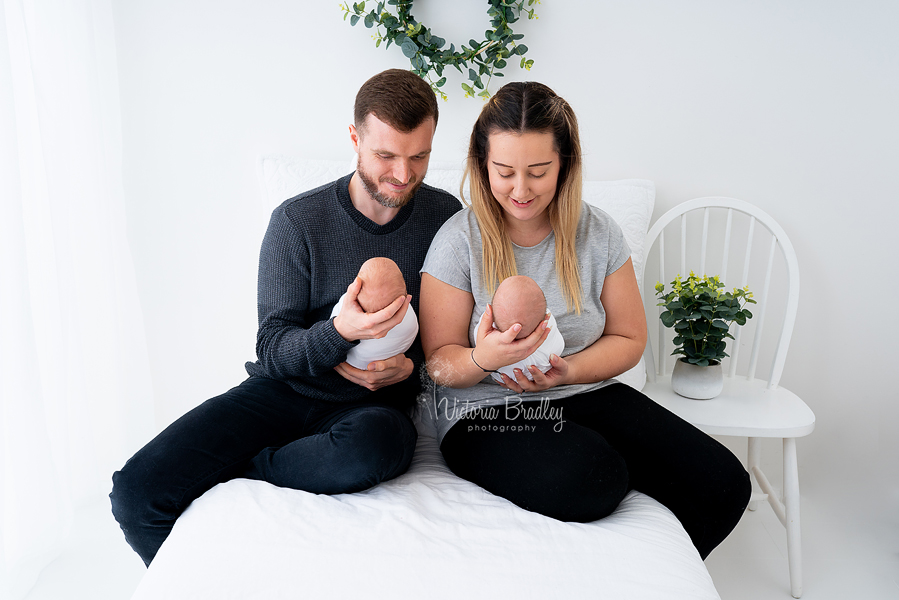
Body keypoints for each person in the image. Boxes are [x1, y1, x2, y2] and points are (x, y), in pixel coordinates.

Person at [110, 69, 461, 566]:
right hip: (281, 393)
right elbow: (272, 346)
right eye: (386, 155)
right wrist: (337, 334)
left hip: (369, 409)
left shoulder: (444, 217)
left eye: (419, 156)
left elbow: (452, 340)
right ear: (355, 138)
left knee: (378, 447)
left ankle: (247, 471)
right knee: (136, 493)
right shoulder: (298, 221)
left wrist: (413, 370)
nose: (403, 174)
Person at [418, 81, 750, 559]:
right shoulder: (457, 240)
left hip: (586, 392)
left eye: (538, 171)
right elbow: (440, 365)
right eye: (504, 171)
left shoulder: (598, 233)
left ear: (565, 164)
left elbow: (630, 338)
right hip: (485, 411)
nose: (520, 189)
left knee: (724, 484)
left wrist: (569, 371)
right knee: (595, 477)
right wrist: (483, 358)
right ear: (481, 165)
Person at [330, 257, 419, 370]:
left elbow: (334, 321)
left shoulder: (345, 303)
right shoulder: (408, 320)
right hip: (392, 358)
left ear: (355, 289)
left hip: (351, 360)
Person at [474, 275, 564, 384]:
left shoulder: (484, 333)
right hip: (543, 370)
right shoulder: (548, 324)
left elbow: (478, 345)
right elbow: (560, 345)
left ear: (492, 316)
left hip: (501, 375)